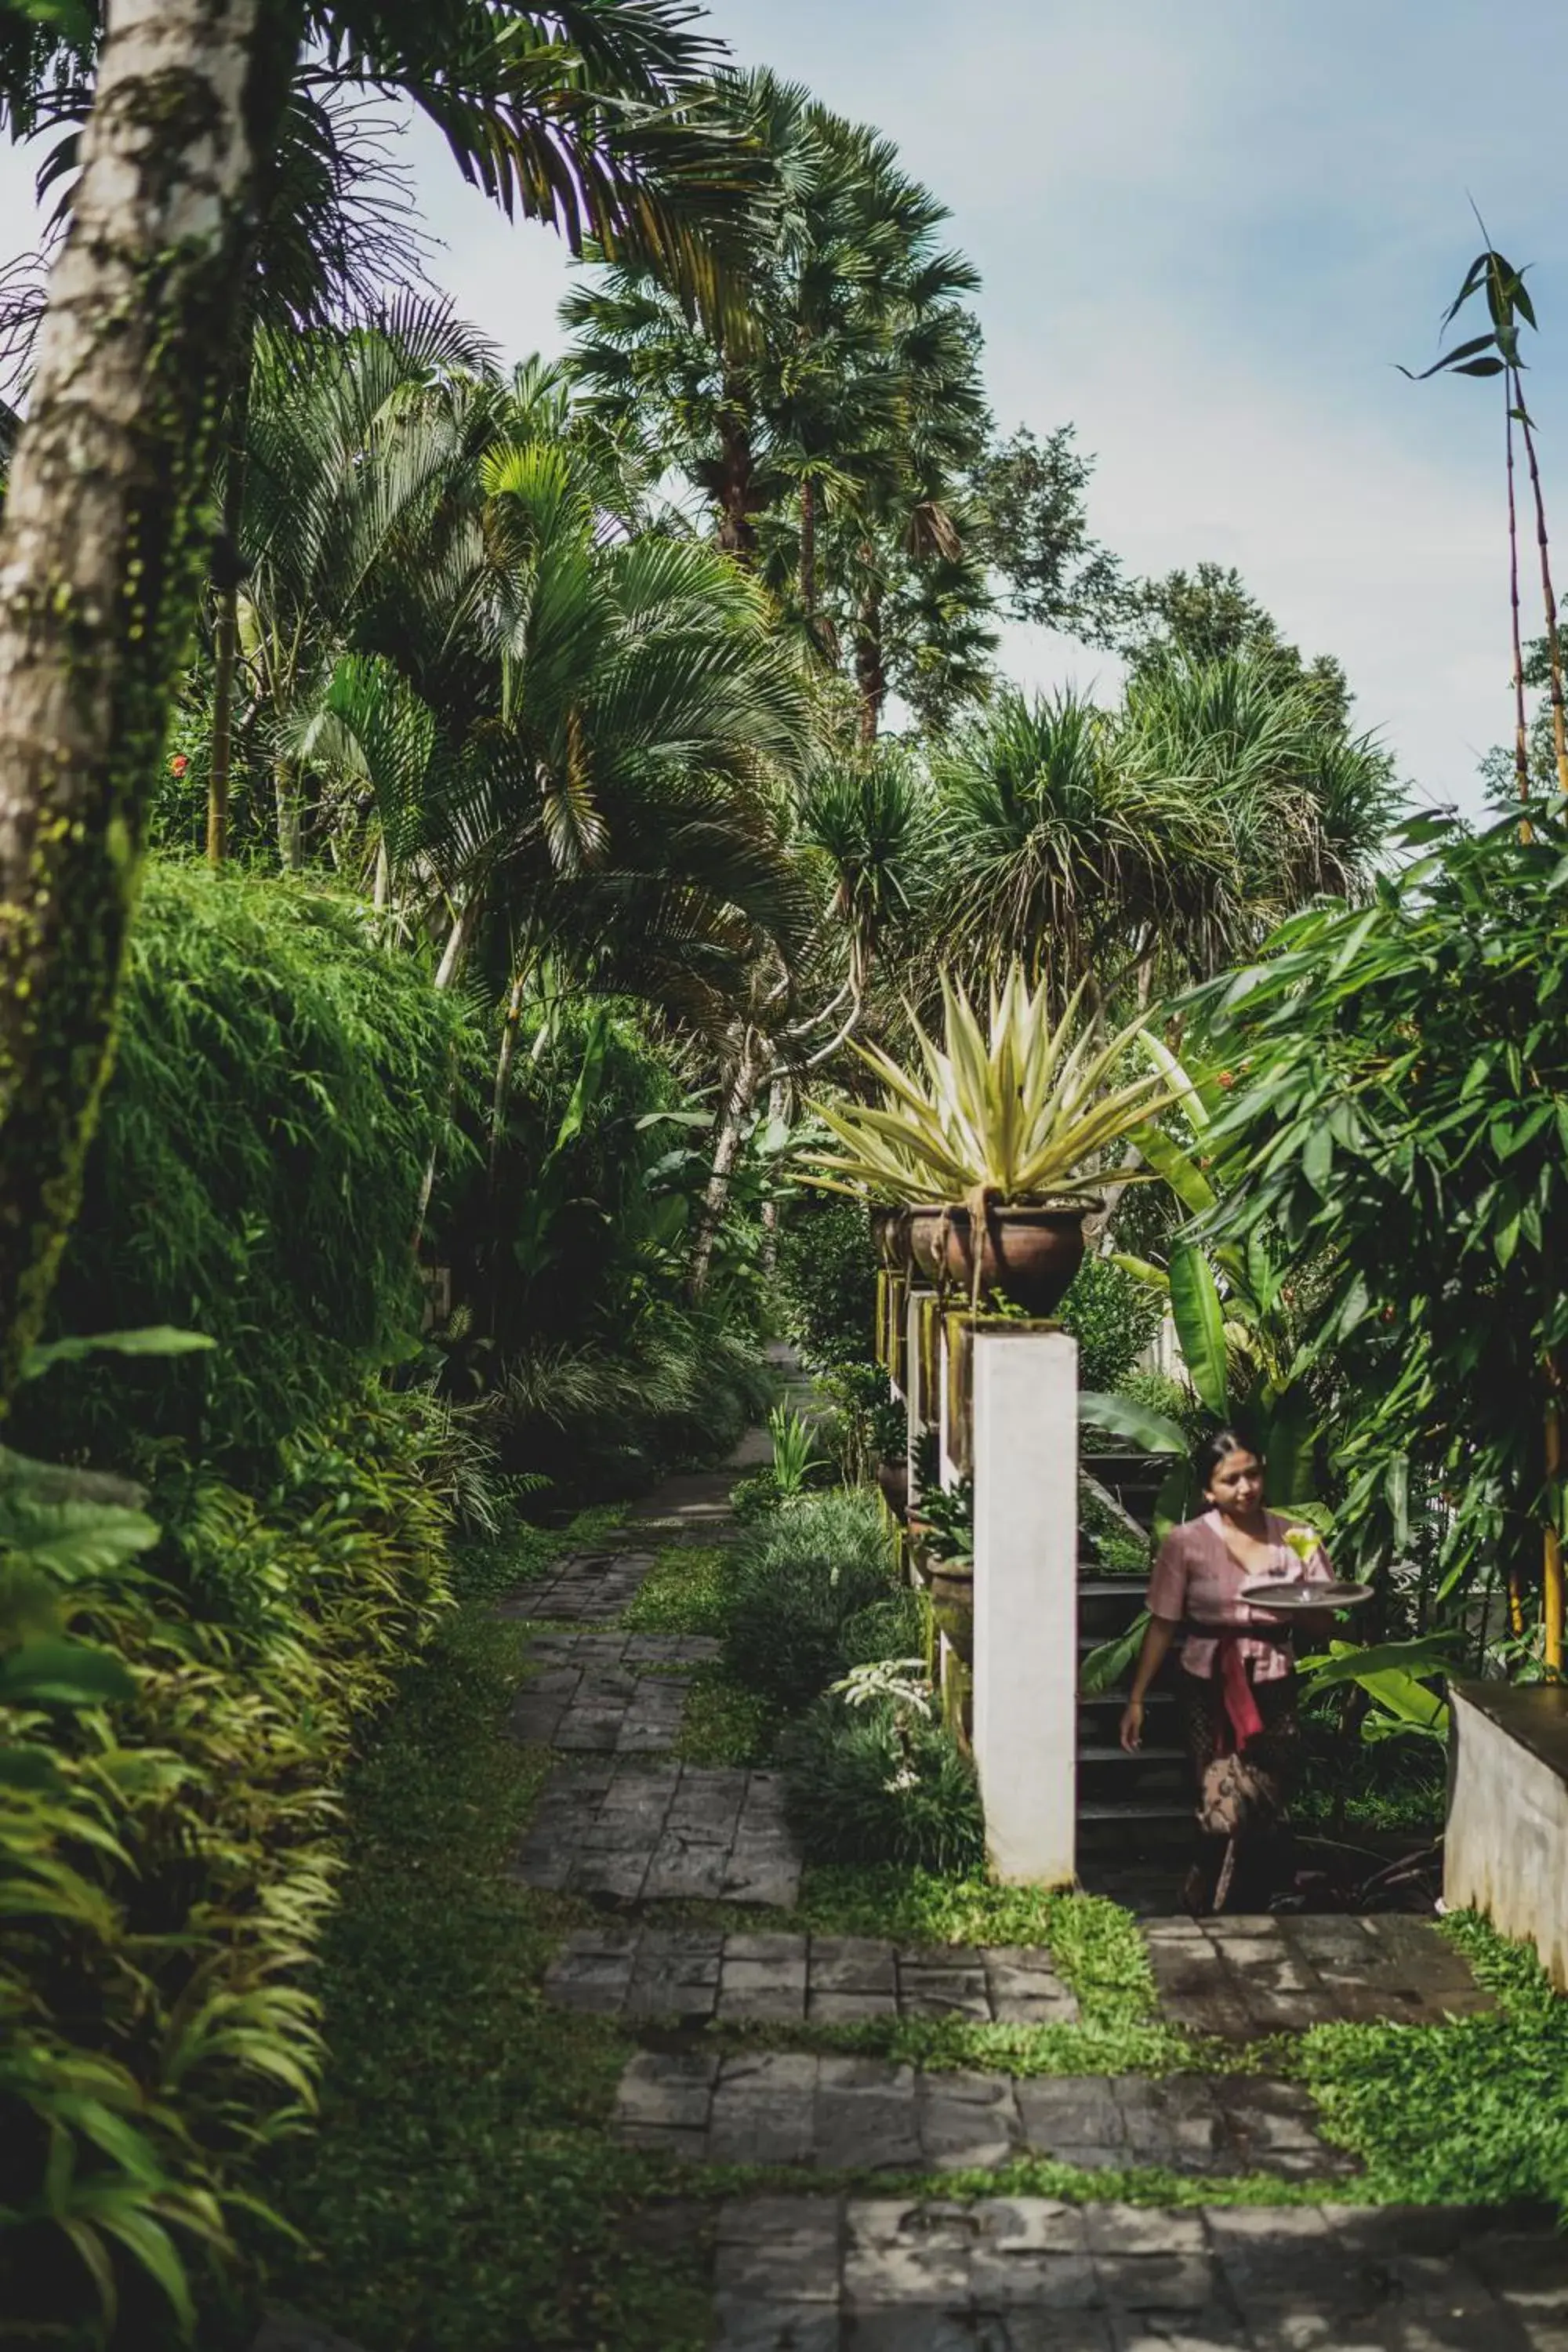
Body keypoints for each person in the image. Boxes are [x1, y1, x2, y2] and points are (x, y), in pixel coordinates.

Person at [1118, 1428, 1334, 1913]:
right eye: (1230, 1479)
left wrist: (1301, 1599)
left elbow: (1324, 1622)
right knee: (1221, 1798)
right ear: (1208, 1491)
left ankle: (1229, 1895)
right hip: (1206, 1683)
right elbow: (1162, 1624)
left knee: (1264, 1795)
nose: (1245, 1488)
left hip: (1274, 1679)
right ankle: (1215, 1892)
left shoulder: (1296, 1540)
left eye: (1253, 1474)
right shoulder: (1186, 1544)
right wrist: (1136, 1698)